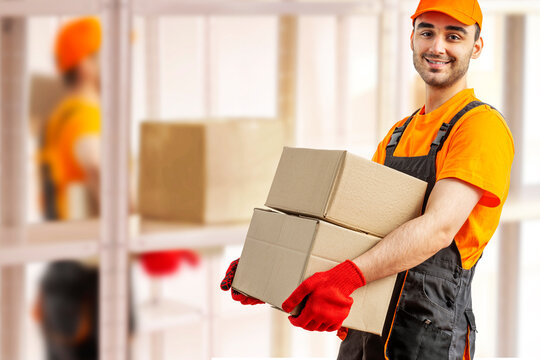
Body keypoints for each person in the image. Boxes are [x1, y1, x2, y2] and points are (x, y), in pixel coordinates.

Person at [220, 0, 514, 358]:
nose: (437, 47)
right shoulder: (398, 134)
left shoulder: (480, 126)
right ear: (412, 38)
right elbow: (356, 231)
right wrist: (276, 273)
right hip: (366, 328)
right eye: (427, 32)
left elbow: (438, 228)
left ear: (476, 46)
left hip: (429, 336)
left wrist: (345, 279)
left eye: (454, 36)